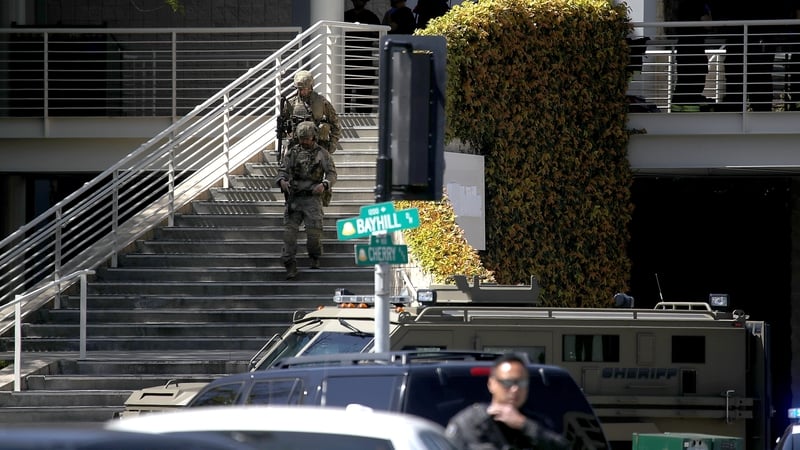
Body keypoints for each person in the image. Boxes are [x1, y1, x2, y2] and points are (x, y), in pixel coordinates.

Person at [445, 354, 570, 450]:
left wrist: (523, 424)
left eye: (522, 383)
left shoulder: (536, 423)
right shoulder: (468, 423)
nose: (515, 389)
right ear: (491, 384)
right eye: (508, 383)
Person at [275, 121, 337, 279]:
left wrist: (324, 184)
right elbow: (283, 170)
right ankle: (289, 265)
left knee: (314, 234)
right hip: (295, 198)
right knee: (289, 234)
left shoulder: (322, 154)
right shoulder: (292, 152)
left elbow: (331, 173)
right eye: (301, 138)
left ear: (314, 137)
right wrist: (282, 181)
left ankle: (314, 256)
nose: (304, 141)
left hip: (312, 198)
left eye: (307, 138)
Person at [281, 70, 341, 154]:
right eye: (301, 89)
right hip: (297, 146)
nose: (304, 91)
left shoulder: (321, 101)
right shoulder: (291, 104)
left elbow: (335, 123)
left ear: (311, 86)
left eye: (306, 88)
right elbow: (283, 124)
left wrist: (333, 142)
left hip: (318, 146)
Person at [670, 1, 713, 112]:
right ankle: (689, 111)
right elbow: (707, 24)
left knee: (684, 83)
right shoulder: (695, 5)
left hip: (685, 48)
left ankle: (679, 112)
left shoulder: (681, 6)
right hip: (694, 49)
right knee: (694, 82)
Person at [344, 0, 381, 113]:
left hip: (364, 61)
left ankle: (364, 119)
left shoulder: (371, 16)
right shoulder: (346, 15)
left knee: (364, 97)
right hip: (347, 61)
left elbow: (377, 34)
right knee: (345, 96)